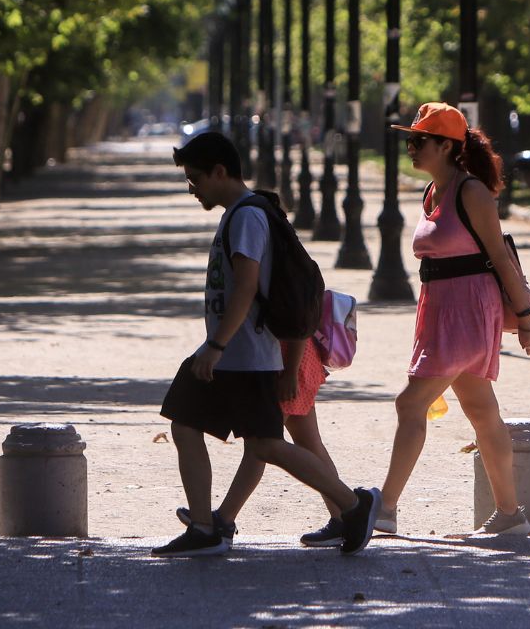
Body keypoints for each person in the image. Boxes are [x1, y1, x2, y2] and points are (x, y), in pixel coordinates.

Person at [153, 131, 380, 557]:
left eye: (196, 178)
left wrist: (216, 346)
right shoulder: (240, 214)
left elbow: (246, 287)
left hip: (247, 355)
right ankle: (205, 527)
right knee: (186, 423)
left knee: (264, 444)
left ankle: (353, 504)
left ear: (220, 172)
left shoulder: (247, 218)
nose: (192, 188)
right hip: (232, 352)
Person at [378, 102, 530, 536]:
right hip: (439, 310)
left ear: (447, 146)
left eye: (420, 141)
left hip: (468, 313)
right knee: (482, 411)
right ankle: (510, 515)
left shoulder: (471, 192)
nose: (412, 148)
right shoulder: (433, 191)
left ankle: (384, 508)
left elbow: (501, 258)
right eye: (410, 140)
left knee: (410, 404)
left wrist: (526, 319)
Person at [172, 336, 348, 547]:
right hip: (293, 360)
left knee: (261, 443)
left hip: (287, 362)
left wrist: (291, 372)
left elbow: (297, 321)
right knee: (307, 442)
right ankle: (344, 517)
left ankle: (225, 519)